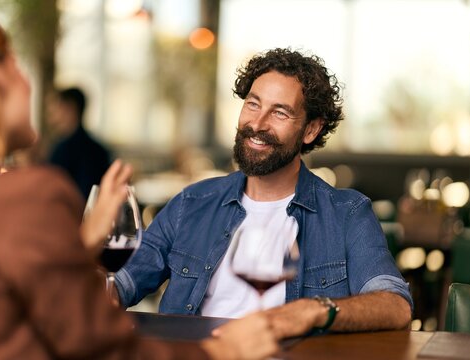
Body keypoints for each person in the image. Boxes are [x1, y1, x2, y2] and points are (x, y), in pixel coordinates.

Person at [0, 6, 278, 359]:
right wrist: (224, 351)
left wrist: (81, 246)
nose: (26, 81)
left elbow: (8, 313)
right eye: (13, 63)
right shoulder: (28, 194)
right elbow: (105, 351)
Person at [115, 48, 413, 339]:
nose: (257, 124)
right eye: (253, 104)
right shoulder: (191, 203)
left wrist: (314, 311)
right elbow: (120, 283)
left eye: (279, 112)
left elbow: (395, 307)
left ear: (310, 130)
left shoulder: (347, 213)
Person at [47, 86, 112, 199]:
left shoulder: (61, 151)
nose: (52, 118)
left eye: (57, 109)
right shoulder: (100, 151)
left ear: (70, 108)